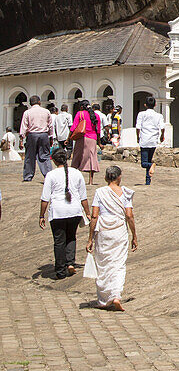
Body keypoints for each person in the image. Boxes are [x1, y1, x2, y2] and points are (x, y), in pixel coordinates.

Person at [86, 165, 136, 311]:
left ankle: (104, 299)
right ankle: (116, 295)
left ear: (106, 178)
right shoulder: (125, 193)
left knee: (104, 265)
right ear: (119, 177)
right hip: (119, 231)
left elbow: (94, 216)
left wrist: (90, 238)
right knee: (119, 264)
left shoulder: (100, 192)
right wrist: (134, 236)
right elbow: (129, 215)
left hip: (104, 231)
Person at [39, 150, 90, 279]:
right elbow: (83, 197)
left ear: (54, 161)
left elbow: (45, 199)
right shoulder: (77, 173)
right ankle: (70, 263)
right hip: (75, 210)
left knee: (59, 240)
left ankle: (61, 270)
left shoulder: (51, 175)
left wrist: (41, 215)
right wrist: (88, 213)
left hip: (58, 211)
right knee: (71, 236)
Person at [67, 100, 101, 185]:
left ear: (82, 107)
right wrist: (99, 142)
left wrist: (68, 138)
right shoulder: (96, 115)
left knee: (77, 156)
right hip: (93, 139)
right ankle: (90, 181)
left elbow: (73, 127)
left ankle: (73, 179)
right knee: (92, 158)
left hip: (82, 138)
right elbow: (98, 130)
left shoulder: (80, 114)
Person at [20, 95, 52, 181]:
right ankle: (48, 175)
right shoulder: (46, 111)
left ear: (30, 103)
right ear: (39, 102)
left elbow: (24, 126)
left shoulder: (27, 112)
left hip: (32, 135)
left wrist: (21, 139)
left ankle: (28, 176)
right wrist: (51, 136)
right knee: (45, 156)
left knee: (30, 156)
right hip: (44, 134)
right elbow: (50, 125)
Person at [135, 96, 165, 186]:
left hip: (144, 140)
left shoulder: (141, 114)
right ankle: (148, 181)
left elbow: (138, 127)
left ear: (145, 105)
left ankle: (152, 165)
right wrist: (162, 136)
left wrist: (138, 137)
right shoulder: (159, 116)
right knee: (148, 159)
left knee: (144, 163)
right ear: (155, 104)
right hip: (153, 140)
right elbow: (163, 127)